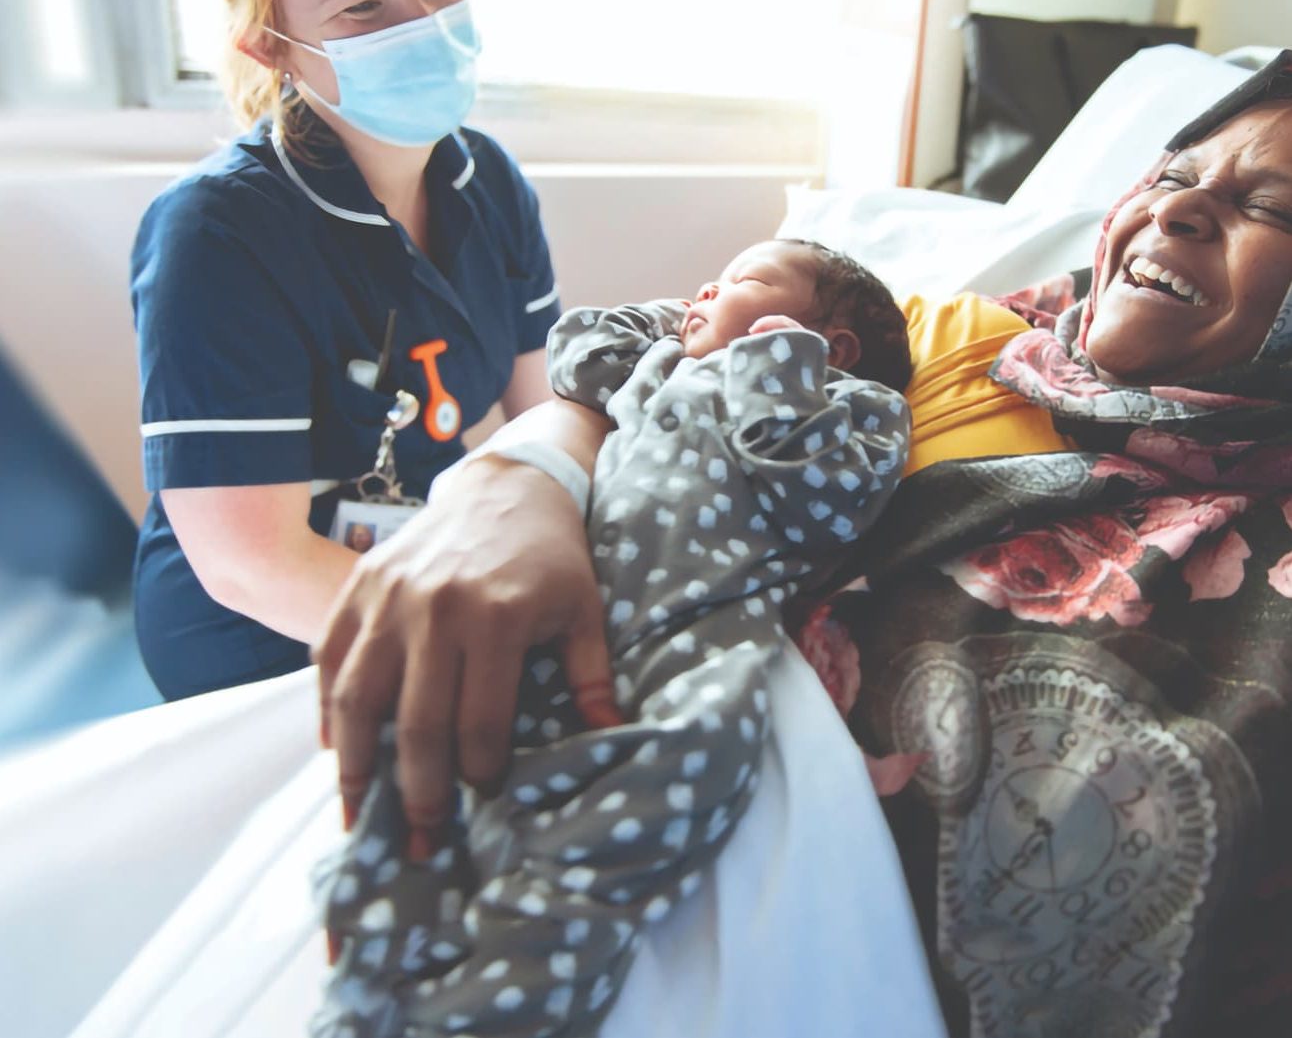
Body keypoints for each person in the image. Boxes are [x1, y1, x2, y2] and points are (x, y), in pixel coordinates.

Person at [316, 54, 1292, 1037]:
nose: (1178, 211)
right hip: (577, 727)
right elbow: (663, 353)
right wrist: (521, 475)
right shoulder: (969, 334)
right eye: (1170, 175)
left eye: (1272, 206)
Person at [315, 238, 913, 1037]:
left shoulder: (853, 407)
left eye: (745, 280)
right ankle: (371, 982)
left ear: (830, 346)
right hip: (569, 609)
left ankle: (502, 1000)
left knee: (662, 789)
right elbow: (577, 350)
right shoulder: (657, 364)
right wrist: (678, 321)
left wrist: (778, 361)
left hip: (696, 628)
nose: (707, 284)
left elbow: (827, 500)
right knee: (434, 771)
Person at [129, 0, 590, 703]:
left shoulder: (486, 182)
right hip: (265, 635)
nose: (421, 21)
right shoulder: (215, 234)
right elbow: (251, 563)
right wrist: (484, 641)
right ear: (271, 47)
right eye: (363, 6)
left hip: (426, 552)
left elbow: (548, 412)